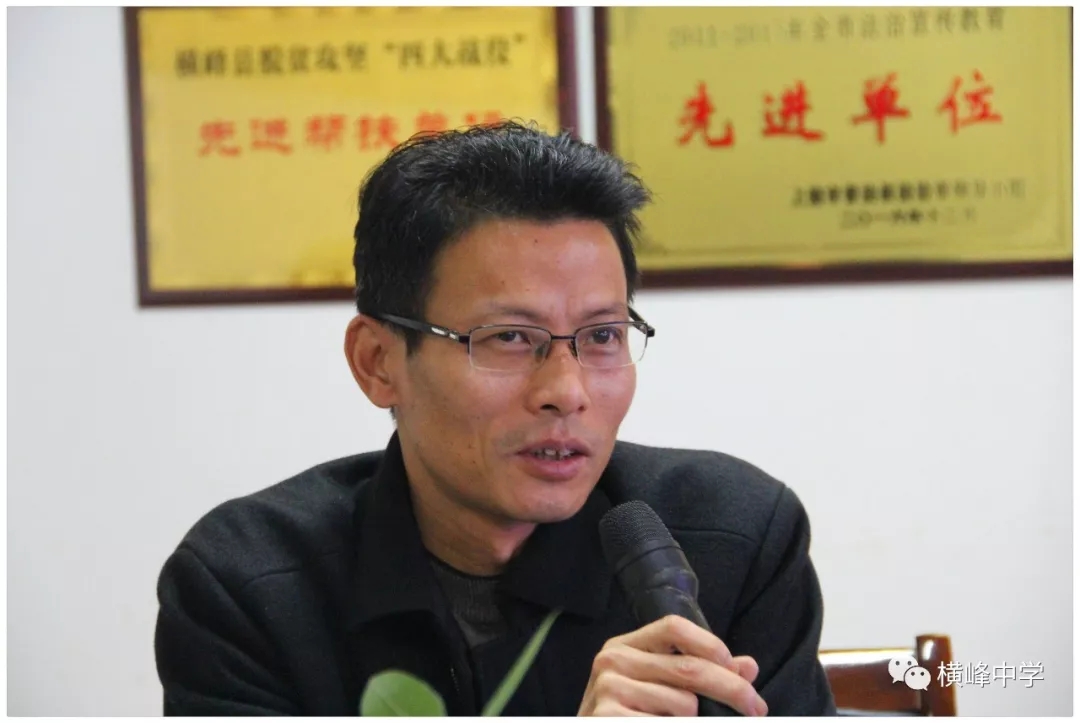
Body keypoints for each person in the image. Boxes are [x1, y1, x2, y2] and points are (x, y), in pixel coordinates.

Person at [154, 121, 836, 716]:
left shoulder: (734, 540)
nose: (565, 390)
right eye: (509, 337)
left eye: (602, 335)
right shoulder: (251, 587)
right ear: (377, 362)